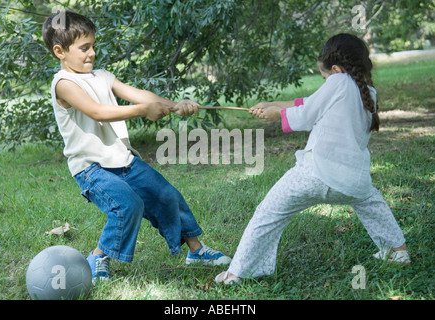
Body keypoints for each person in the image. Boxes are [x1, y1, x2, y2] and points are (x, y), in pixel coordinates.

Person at [42, 11, 231, 283]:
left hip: (124, 160)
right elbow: (98, 112)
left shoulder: (103, 76)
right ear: (60, 51)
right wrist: (144, 110)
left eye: (93, 45)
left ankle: (196, 251)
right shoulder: (63, 84)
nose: (92, 53)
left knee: (167, 195)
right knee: (127, 205)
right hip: (91, 168)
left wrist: (174, 106)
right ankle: (97, 258)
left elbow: (139, 95)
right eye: (84, 48)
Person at [215, 33, 410, 285]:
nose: (325, 82)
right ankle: (398, 252)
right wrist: (273, 103)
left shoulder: (338, 80)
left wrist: (277, 114)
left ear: (337, 69)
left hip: (313, 174)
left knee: (268, 214)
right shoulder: (368, 92)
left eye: (324, 77)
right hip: (354, 182)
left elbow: (306, 113)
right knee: (373, 204)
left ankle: (236, 273)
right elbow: (311, 102)